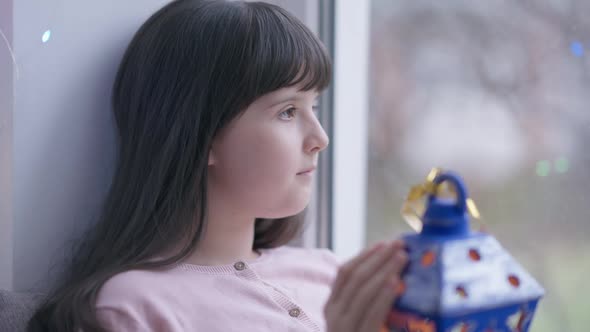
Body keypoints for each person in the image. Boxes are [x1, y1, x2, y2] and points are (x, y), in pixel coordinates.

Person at [28, 1, 408, 331]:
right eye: (288, 111)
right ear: (202, 135)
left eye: (315, 107)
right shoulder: (129, 310)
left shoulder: (328, 273)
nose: (320, 138)